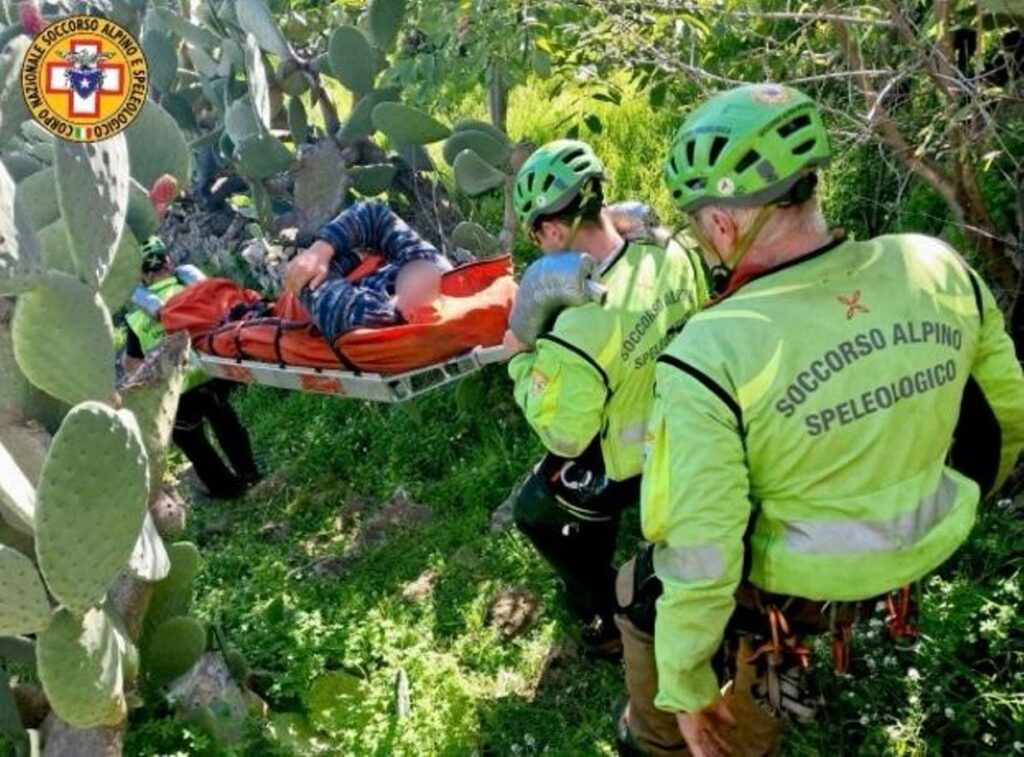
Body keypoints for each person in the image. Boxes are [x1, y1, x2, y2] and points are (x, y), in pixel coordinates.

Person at [614, 83, 1024, 756]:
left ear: (721, 224)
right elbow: (1005, 414)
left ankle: (674, 735)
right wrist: (946, 499)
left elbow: (703, 546)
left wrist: (686, 676)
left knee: (641, 587)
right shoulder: (933, 263)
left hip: (800, 583)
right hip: (937, 524)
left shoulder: (708, 353)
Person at [502, 139, 708, 657]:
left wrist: (520, 361)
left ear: (552, 229)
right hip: (696, 419)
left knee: (536, 509)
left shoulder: (579, 328)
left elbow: (566, 436)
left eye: (538, 237)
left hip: (638, 458)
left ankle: (600, 620)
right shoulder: (671, 248)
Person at [125, 237, 260, 500]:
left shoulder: (137, 318)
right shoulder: (196, 290)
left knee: (193, 442)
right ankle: (250, 475)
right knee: (226, 423)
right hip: (214, 374)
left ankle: (227, 490)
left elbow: (133, 364)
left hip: (179, 390)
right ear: (168, 261)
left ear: (141, 275)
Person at [284, 200, 453, 339]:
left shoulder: (364, 315)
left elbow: (306, 279)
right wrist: (323, 248)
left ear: (410, 315)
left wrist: (353, 257)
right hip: (344, 266)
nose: (425, 277)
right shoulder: (437, 269)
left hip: (291, 305)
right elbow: (373, 213)